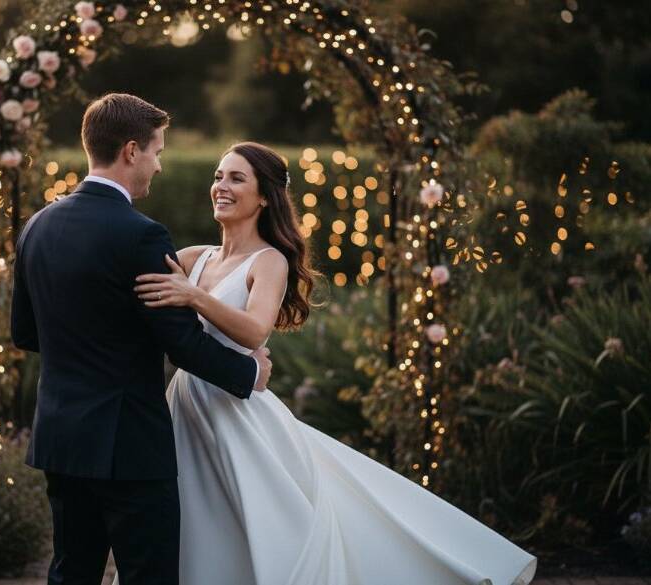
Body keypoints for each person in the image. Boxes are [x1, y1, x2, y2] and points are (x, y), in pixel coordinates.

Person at [131, 141, 538, 585]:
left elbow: (253, 331)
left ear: (264, 196)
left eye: (236, 178)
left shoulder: (268, 261)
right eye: (217, 176)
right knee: (195, 524)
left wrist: (194, 296)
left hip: (237, 414)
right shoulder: (193, 258)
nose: (220, 187)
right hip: (186, 406)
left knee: (267, 527)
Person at [10, 94, 273, 585]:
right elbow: (182, 344)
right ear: (131, 151)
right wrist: (250, 371)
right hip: (128, 443)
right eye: (156, 152)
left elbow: (25, 332)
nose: (158, 165)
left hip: (62, 436)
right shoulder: (141, 235)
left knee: (72, 572)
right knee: (147, 575)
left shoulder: (36, 226)